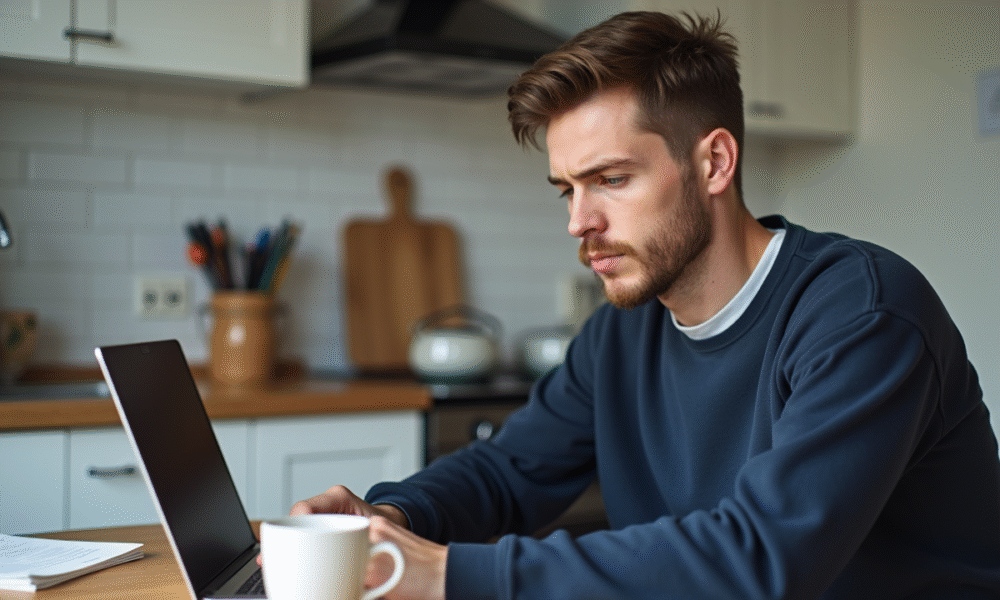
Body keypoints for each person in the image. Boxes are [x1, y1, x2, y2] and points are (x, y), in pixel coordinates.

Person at [290, 11, 1000, 599]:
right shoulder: (620, 336)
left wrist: (445, 574)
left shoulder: (863, 315)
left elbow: (759, 561)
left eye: (611, 179)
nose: (579, 221)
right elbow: (508, 471)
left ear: (714, 162)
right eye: (567, 189)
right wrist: (388, 515)